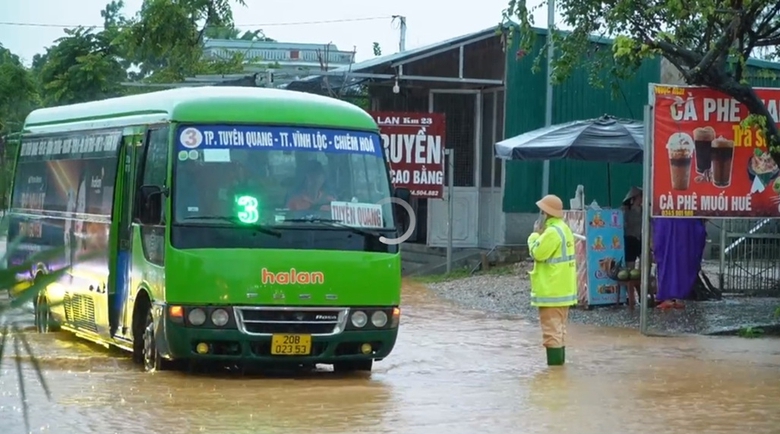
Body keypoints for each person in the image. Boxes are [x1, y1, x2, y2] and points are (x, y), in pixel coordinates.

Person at [527, 194, 577, 366]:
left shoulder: (552, 232)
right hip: (563, 290)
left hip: (551, 291)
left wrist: (533, 236)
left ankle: (554, 374)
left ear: (546, 213)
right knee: (559, 331)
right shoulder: (564, 229)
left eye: (541, 211)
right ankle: (559, 374)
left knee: (551, 333)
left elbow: (537, 253)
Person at [622, 186, 643, 264]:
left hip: (640, 239)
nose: (641, 199)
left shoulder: (643, 210)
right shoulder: (626, 210)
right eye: (640, 196)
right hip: (629, 239)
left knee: (646, 259)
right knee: (630, 263)